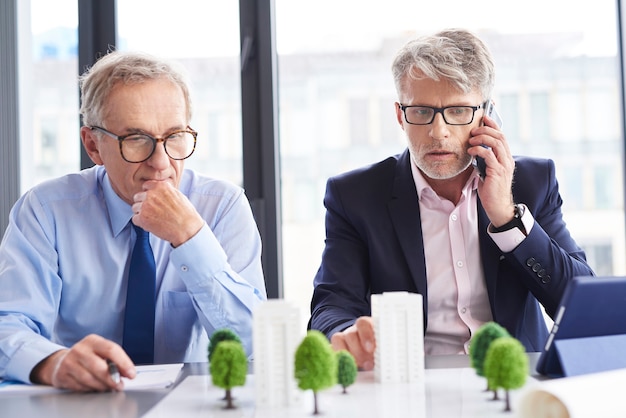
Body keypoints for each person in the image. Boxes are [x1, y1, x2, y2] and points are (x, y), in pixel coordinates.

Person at [308, 28, 595, 370]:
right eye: (422, 111)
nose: (438, 131)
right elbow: (331, 305)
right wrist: (349, 333)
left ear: (486, 114)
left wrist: (507, 217)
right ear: (400, 115)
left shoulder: (531, 183)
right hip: (411, 384)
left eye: (458, 111)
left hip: (510, 382)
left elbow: (585, 309)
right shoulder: (355, 196)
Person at [0, 51, 267, 391]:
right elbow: (8, 325)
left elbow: (254, 346)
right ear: (93, 146)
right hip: (82, 406)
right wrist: (52, 363)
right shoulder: (46, 211)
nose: (161, 162)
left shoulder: (223, 207)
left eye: (173, 137)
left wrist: (190, 238)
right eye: (136, 139)